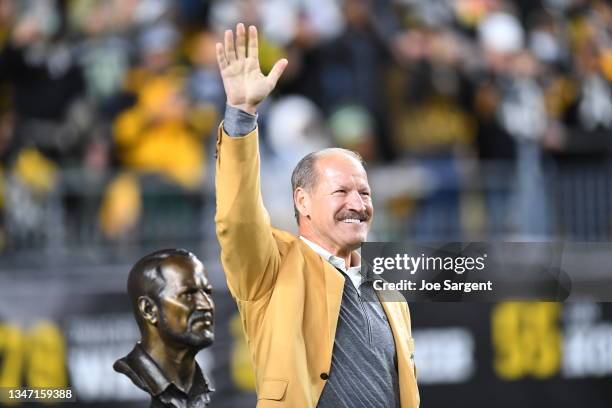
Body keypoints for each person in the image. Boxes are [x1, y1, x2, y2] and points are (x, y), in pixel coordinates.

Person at [214, 24, 419, 407]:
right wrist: (241, 118)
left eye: (364, 192)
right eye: (340, 191)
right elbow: (236, 217)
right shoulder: (270, 268)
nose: (357, 203)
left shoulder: (387, 288)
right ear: (302, 201)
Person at [114, 249, 215, 408]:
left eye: (208, 292)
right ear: (149, 310)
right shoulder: (125, 388)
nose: (206, 305)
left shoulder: (203, 391)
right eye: (189, 294)